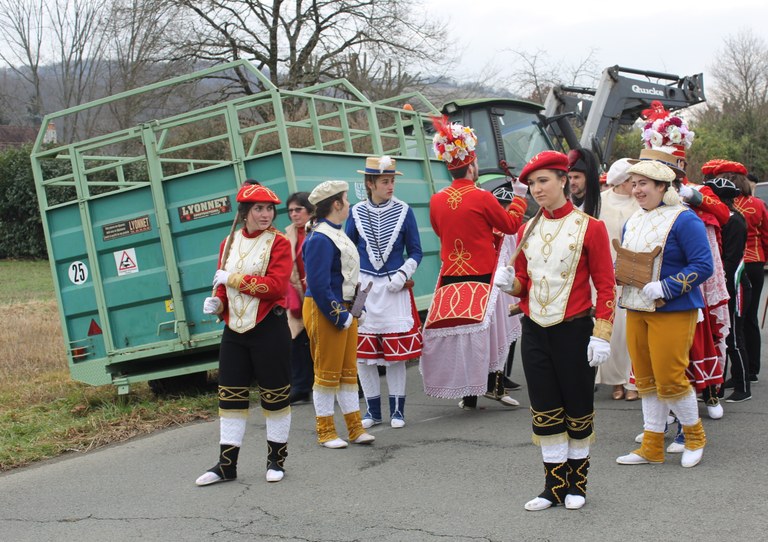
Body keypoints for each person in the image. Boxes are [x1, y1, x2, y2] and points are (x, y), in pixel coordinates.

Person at [495, 150, 616, 511]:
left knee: (577, 407)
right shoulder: (524, 229)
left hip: (574, 330)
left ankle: (577, 484)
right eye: (531, 183)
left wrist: (602, 333)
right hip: (535, 329)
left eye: (543, 181)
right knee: (544, 408)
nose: (536, 189)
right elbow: (525, 284)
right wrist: (509, 285)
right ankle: (553, 486)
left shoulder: (591, 227)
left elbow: (606, 286)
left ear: (564, 180)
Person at [420, 117, 527, 408]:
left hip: (451, 272)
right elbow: (509, 224)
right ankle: (489, 386)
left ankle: (467, 393)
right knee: (486, 332)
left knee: (459, 333)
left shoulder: (436, 199)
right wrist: (518, 197)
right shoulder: (481, 197)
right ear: (471, 166)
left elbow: (442, 232)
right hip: (482, 271)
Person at [616, 160, 713, 469]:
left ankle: (695, 437)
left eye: (644, 183)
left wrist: (668, 287)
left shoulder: (685, 219)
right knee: (645, 379)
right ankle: (652, 445)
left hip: (673, 308)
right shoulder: (632, 219)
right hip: (635, 307)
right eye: (634, 183)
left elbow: (703, 265)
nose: (636, 189)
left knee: (670, 377)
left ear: (662, 187)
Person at [196, 180, 293, 486]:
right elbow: (222, 284)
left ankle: (276, 461)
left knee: (275, 397)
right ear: (245, 212)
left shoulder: (279, 243)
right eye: (258, 209)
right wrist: (217, 303)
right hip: (234, 330)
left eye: (269, 209)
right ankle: (227, 465)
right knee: (230, 397)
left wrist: (232, 279)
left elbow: (276, 286)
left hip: (269, 326)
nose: (265, 214)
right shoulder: (228, 242)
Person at [345, 156, 423, 428]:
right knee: (363, 356)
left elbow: (415, 250)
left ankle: (398, 411)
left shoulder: (404, 210)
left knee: (394, 356)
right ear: (370, 183)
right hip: (365, 288)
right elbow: (348, 251)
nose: (390, 186)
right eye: (385, 181)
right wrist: (351, 283)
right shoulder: (355, 212)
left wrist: (403, 274)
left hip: (393, 288)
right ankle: (372, 410)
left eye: (392, 181)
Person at [302, 180, 375, 448]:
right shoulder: (320, 237)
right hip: (326, 310)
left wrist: (358, 306)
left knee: (346, 372)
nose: (349, 203)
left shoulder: (335, 232)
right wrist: (339, 315)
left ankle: (355, 428)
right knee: (326, 372)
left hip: (344, 308)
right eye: (346, 198)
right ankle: (326, 431)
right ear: (336, 204)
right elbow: (319, 284)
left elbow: (347, 275)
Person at [597, 158, 640, 401]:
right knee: (612, 329)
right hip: (606, 274)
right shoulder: (601, 201)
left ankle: (633, 380)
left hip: (636, 273)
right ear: (622, 181)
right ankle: (615, 382)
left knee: (632, 329)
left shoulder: (642, 201)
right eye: (632, 180)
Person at [705, 176, 751, 403]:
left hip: (734, 284)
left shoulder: (733, 221)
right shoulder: (727, 218)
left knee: (733, 338)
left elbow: (730, 260)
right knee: (723, 336)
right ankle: (722, 384)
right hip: (726, 283)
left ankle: (743, 388)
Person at [730, 163, 768, 386]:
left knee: (737, 318)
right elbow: (765, 235)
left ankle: (741, 368)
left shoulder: (727, 205)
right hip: (756, 261)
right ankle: (752, 367)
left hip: (737, 263)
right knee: (751, 316)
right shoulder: (758, 204)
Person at [285, 192, 315, 404]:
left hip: (320, 293)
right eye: (291, 211)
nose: (294, 214)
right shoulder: (287, 235)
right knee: (297, 341)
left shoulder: (319, 228)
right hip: (297, 294)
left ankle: (348, 382)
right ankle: (301, 387)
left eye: (298, 209)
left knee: (325, 341)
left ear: (310, 209)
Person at [567, 147, 601, 218]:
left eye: (576, 177)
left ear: (588, 178)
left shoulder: (600, 205)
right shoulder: (563, 202)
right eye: (569, 177)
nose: (572, 182)